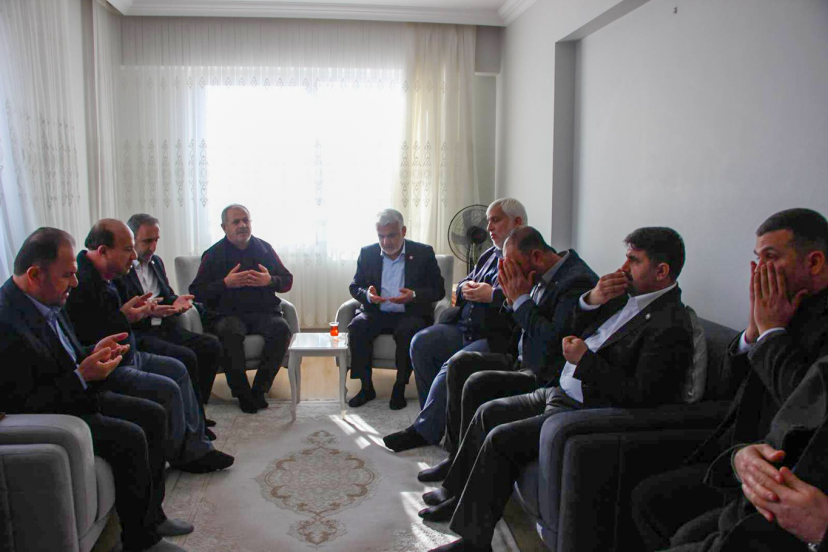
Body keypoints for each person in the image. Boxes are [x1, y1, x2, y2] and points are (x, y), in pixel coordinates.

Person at [422, 227, 695, 552]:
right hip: (560, 389)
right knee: (487, 411)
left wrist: (586, 362)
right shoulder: (628, 298)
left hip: (585, 407)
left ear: (661, 271)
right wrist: (593, 299)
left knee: (501, 438)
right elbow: (574, 326)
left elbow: (641, 395)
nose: (623, 268)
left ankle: (473, 544)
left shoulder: (670, 325)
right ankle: (457, 494)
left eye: (634, 261)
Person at [632, 208, 828, 551]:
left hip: (782, 477)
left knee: (682, 528)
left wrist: (770, 334)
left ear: (814, 263)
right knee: (649, 500)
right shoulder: (779, 310)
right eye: (757, 258)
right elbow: (728, 385)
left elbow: (806, 406)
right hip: (737, 457)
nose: (759, 269)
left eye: (771, 257)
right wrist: (752, 333)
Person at [0, 227, 191, 552]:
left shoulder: (46, 299)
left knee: (154, 414)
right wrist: (81, 376)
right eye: (67, 275)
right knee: (131, 437)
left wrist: (93, 351)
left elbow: (65, 356)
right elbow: (24, 400)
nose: (74, 283)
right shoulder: (7, 322)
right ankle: (141, 542)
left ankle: (152, 519)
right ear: (34, 275)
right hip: (58, 413)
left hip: (79, 394)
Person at [383, 226, 597, 456]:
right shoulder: (526, 265)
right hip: (483, 334)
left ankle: (440, 439)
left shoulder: (573, 280)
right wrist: (506, 298)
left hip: (525, 359)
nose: (489, 228)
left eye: (496, 220)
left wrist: (514, 298)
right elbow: (518, 312)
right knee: (431, 349)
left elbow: (552, 340)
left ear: (535, 255)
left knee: (459, 366)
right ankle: (444, 438)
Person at [65, 219, 233, 473]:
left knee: (179, 368)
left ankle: (197, 442)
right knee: (169, 386)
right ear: (103, 251)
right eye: (127, 249)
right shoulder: (80, 284)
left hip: (132, 353)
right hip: (114, 365)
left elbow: (113, 321)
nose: (133, 256)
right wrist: (129, 317)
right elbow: (88, 336)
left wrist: (135, 314)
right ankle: (187, 455)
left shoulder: (106, 275)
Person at [385, 199, 525, 450]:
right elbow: (461, 285)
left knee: (450, 367)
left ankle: (425, 430)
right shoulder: (488, 254)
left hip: (494, 336)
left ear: (517, 222)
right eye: (488, 221)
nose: (489, 227)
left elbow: (527, 297)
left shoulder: (525, 256)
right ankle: (435, 419)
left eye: (496, 220)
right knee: (420, 343)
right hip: (464, 327)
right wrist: (466, 288)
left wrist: (492, 295)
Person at [657, 354, 828, 552]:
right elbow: (776, 443)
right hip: (742, 519)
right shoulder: (823, 369)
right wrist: (741, 460)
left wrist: (822, 530)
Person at [115, 213, 223, 429]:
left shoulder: (156, 262)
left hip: (166, 327)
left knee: (211, 346)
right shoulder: (121, 270)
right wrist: (148, 311)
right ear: (132, 240)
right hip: (141, 333)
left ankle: (197, 410)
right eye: (147, 241)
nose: (153, 247)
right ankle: (193, 421)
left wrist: (177, 301)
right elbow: (121, 313)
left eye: (156, 240)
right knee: (187, 357)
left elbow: (167, 295)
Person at [189, 204, 293, 413]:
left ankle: (259, 390)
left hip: (263, 312)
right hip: (227, 314)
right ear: (224, 227)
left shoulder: (264, 248)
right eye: (236, 222)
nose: (242, 225)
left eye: (246, 220)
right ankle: (242, 392)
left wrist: (269, 280)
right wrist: (225, 283)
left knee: (281, 329)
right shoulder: (213, 254)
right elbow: (196, 292)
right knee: (230, 332)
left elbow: (287, 280)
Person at [346, 208, 445, 409]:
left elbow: (438, 290)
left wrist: (413, 295)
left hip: (409, 313)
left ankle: (400, 386)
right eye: (381, 236)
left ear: (403, 231)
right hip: (377, 312)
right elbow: (355, 286)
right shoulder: (368, 253)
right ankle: (366, 387)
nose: (386, 242)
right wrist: (368, 295)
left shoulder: (423, 253)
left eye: (391, 235)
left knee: (407, 330)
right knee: (357, 327)